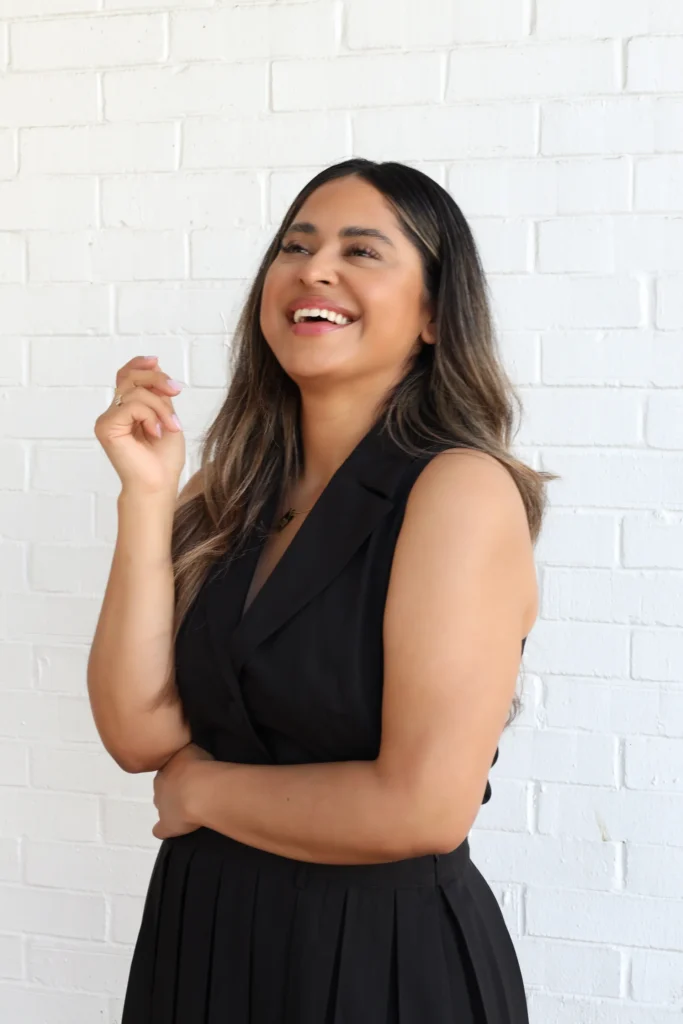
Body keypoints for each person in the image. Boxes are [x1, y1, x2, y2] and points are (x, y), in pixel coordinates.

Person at [89, 158, 553, 1023]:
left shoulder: (457, 489)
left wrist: (202, 793)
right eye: (295, 247)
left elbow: (424, 808)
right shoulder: (228, 489)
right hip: (201, 941)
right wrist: (147, 498)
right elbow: (138, 733)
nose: (314, 270)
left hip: (376, 959)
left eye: (361, 251)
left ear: (433, 315)